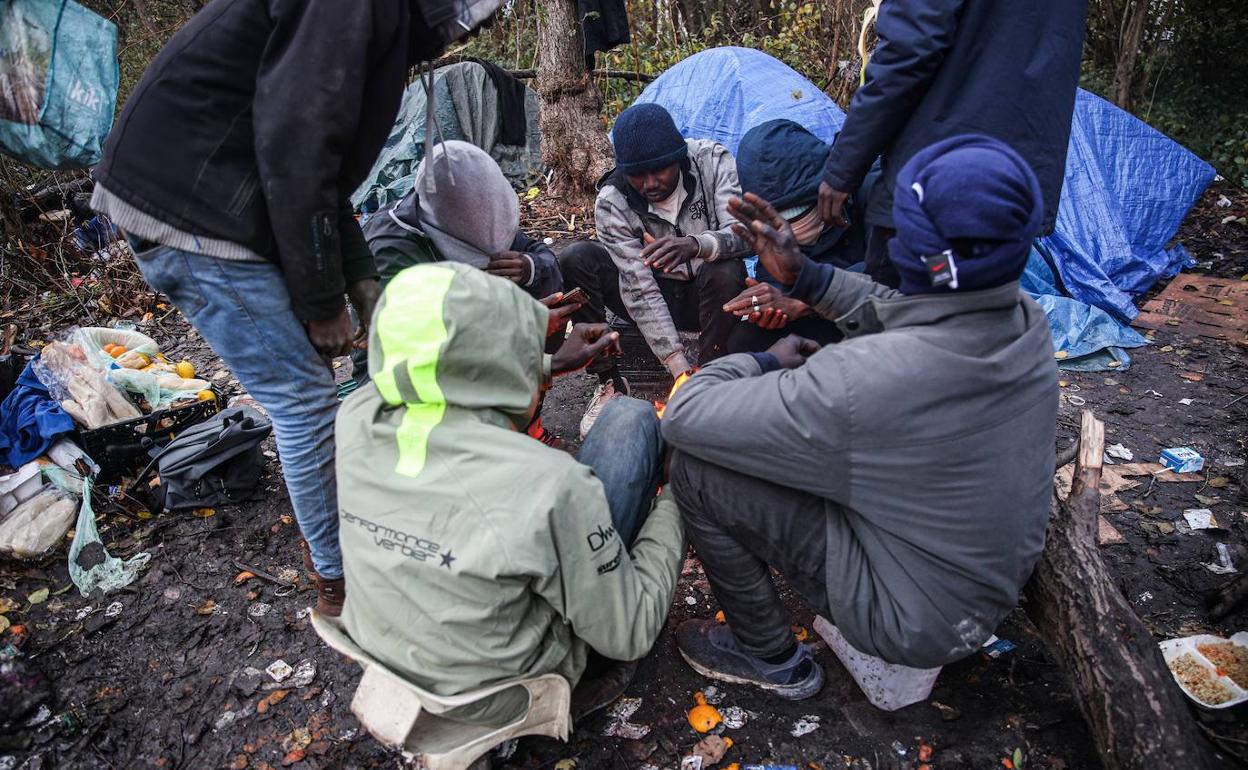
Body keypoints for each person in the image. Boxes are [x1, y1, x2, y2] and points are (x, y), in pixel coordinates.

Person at [89, 0, 502, 616]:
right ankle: (341, 587)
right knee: (304, 398)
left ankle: (347, 524)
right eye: (482, 18)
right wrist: (319, 300)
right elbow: (295, 148)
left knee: (311, 380)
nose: (479, 31)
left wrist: (360, 278)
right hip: (195, 206)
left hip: (221, 197)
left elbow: (322, 171)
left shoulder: (373, 24)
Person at [661, 136, 1058, 699]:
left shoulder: (866, 378)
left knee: (697, 471)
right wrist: (808, 278)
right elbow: (905, 308)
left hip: (911, 622)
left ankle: (769, 655)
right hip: (982, 592)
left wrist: (763, 361)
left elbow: (685, 415)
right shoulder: (1024, 318)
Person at [336, 261, 684, 726]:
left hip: (386, 658)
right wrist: (677, 497)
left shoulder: (356, 415)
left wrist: (545, 366)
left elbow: (432, 372)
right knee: (628, 418)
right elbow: (633, 630)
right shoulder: (552, 484)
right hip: (503, 693)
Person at [817, 0, 1088, 287]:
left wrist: (843, 168)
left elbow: (909, 50)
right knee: (962, 313)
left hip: (936, 192)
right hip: (1009, 189)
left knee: (899, 315)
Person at [352, 140, 570, 445]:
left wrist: (529, 266)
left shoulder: (474, 210)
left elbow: (542, 259)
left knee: (544, 286)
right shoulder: (390, 249)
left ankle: (523, 431)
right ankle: (480, 451)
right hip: (406, 384)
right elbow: (418, 347)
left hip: (476, 352)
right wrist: (520, 321)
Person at [561, 103, 749, 436]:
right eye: (638, 175)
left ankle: (709, 378)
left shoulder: (712, 162)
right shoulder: (613, 199)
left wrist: (696, 244)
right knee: (578, 257)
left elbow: (743, 234)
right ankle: (611, 382)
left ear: (678, 157)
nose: (650, 184)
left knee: (725, 268)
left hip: (711, 295)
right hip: (657, 291)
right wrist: (678, 368)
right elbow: (638, 287)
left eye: (659, 170)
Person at [720, 119, 866, 354]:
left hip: (878, 316)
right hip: (819, 319)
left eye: (794, 213)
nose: (785, 230)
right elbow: (777, 283)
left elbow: (889, 273)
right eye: (773, 219)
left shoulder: (872, 190)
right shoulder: (770, 232)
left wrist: (805, 301)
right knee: (746, 341)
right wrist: (771, 302)